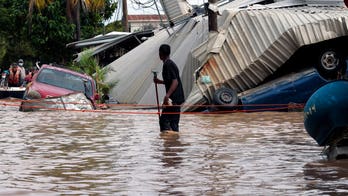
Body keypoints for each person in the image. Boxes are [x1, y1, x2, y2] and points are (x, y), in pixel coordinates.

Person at [154, 44, 185, 132]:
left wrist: (167, 96)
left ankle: (171, 141)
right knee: (170, 121)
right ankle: (173, 142)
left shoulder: (168, 64)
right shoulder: (168, 63)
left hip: (174, 99)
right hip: (175, 98)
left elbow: (175, 82)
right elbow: (170, 81)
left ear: (160, 54)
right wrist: (159, 81)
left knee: (165, 121)